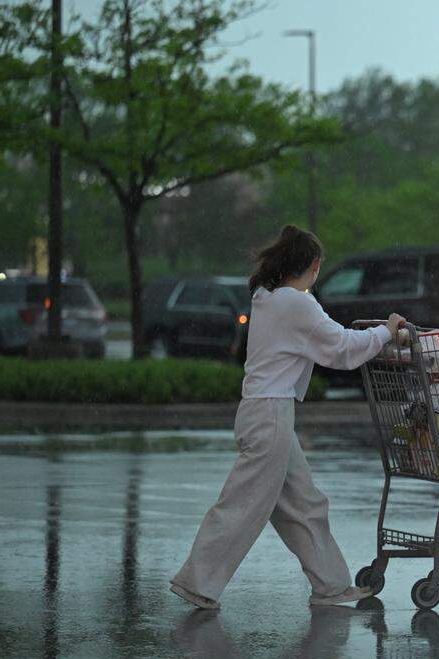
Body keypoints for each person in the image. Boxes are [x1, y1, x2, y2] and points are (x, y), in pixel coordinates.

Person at [170, 225, 407, 609]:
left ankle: (331, 586)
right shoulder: (296, 303)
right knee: (243, 505)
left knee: (304, 504)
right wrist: (385, 332)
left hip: (264, 412)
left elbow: (332, 345)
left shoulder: (268, 297)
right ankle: (197, 582)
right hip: (271, 416)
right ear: (313, 265)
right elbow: (342, 349)